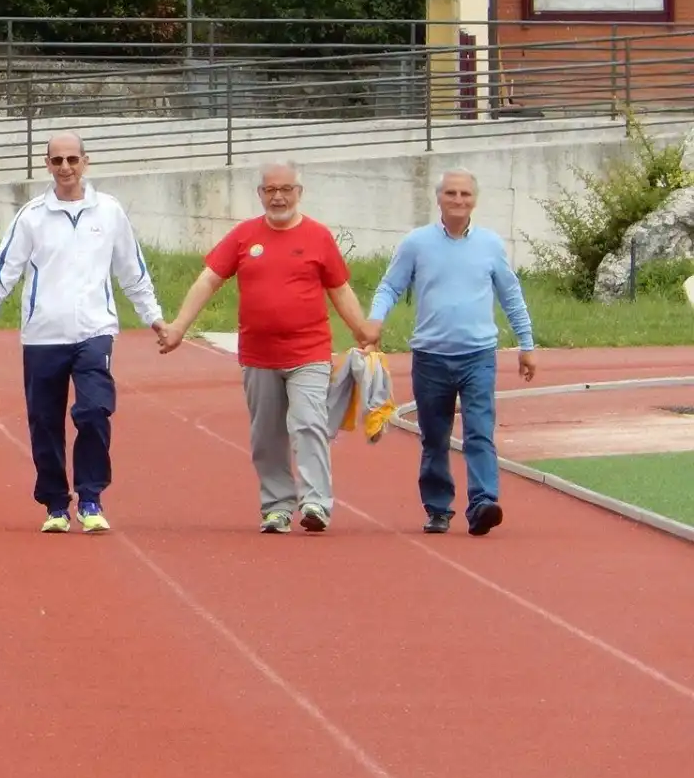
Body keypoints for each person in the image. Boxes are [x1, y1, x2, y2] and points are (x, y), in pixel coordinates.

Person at [0, 132, 166, 534]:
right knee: (45, 421)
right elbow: (3, 273)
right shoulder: (32, 216)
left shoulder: (109, 212)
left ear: (86, 161)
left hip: (94, 331)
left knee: (93, 411)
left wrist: (153, 317)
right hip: (43, 336)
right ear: (47, 165)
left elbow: (132, 271)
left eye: (72, 159)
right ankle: (55, 503)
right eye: (57, 161)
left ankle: (90, 497)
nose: (65, 168)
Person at [159, 160, 380, 534]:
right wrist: (179, 326)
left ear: (299, 193)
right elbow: (208, 280)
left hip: (308, 352)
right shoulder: (244, 236)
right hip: (258, 356)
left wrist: (361, 329)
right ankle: (277, 506)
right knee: (266, 434)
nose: (278, 197)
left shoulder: (318, 237)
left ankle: (315, 503)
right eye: (270, 190)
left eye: (285, 190)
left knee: (309, 423)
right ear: (261, 194)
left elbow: (339, 289)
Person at [367, 168, 537, 536]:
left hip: (478, 356)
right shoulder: (416, 243)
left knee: (479, 432)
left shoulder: (491, 245)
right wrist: (374, 322)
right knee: (434, 437)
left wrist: (526, 344)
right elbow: (389, 287)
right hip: (430, 358)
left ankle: (483, 503)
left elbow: (511, 295)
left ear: (475, 200)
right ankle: (439, 508)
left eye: (465, 195)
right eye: (451, 194)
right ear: (439, 198)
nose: (458, 200)